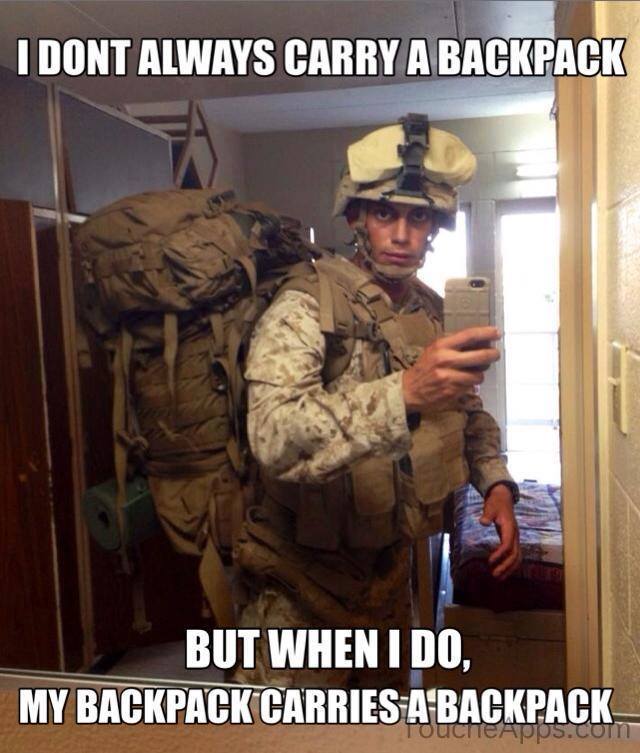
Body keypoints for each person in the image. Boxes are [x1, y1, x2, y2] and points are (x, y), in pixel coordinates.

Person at [232, 114, 520, 690]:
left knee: (378, 726)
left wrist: (495, 483)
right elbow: (272, 434)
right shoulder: (305, 306)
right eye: (386, 214)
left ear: (435, 226)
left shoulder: (428, 310)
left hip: (389, 579)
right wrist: (404, 392)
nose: (402, 234)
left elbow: (465, 411)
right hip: (299, 587)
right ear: (356, 218)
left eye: (419, 217)